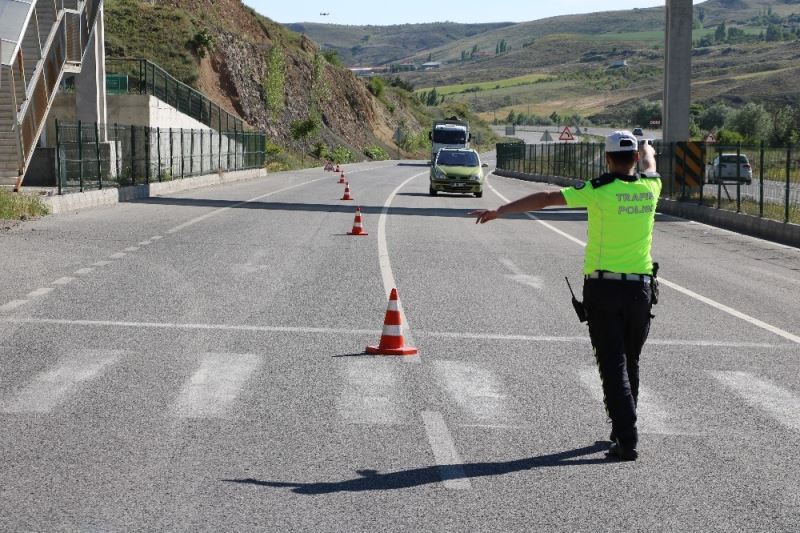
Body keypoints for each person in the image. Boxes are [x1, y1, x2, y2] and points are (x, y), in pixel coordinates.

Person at [470, 131, 661, 461]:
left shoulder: (598, 191)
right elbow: (650, 163)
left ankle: (627, 438)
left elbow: (545, 197)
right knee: (630, 360)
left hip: (604, 289)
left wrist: (501, 210)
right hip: (641, 290)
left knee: (613, 364)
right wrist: (647, 148)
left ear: (607, 158)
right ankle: (620, 427)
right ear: (633, 160)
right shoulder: (651, 188)